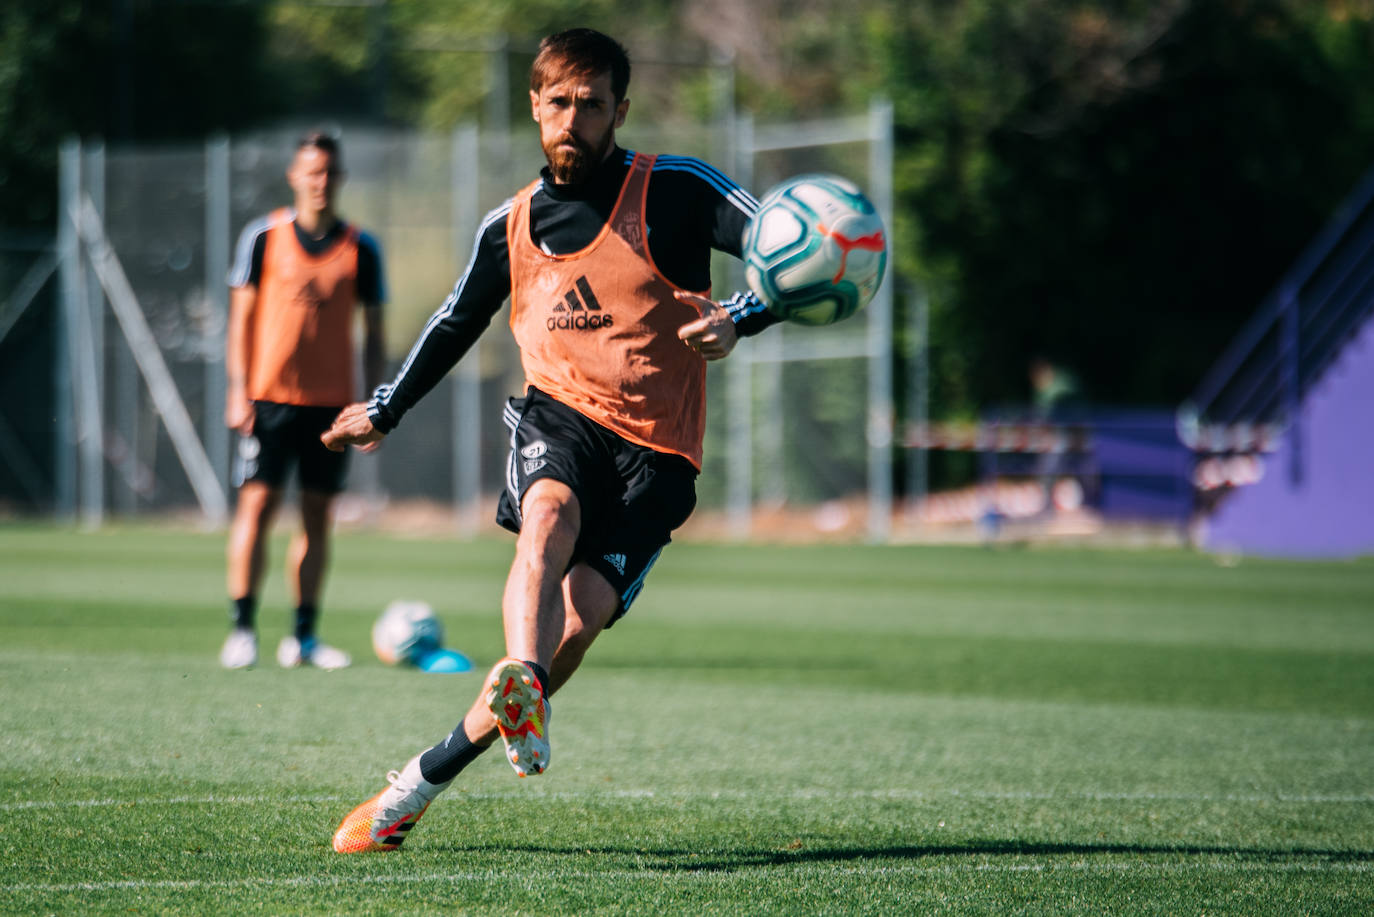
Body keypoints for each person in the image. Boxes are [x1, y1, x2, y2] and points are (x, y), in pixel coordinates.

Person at [325, 28, 778, 853]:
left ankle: (423, 776)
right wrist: (384, 409)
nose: (574, 118)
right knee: (547, 518)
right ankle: (520, 683)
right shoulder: (512, 224)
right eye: (559, 101)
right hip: (560, 415)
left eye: (592, 104)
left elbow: (788, 247)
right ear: (536, 105)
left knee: (580, 621)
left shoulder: (676, 190)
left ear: (620, 111)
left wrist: (741, 315)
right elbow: (455, 320)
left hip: (660, 456)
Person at [219, 132, 387, 671]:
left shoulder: (362, 249)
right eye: (311, 171)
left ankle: (303, 639)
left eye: (330, 173)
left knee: (317, 517)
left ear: (340, 179)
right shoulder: (263, 238)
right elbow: (240, 322)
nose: (321, 181)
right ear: (294, 176)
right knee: (257, 508)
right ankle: (243, 629)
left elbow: (376, 335)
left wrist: (374, 405)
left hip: (331, 409)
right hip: (268, 401)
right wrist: (237, 390)